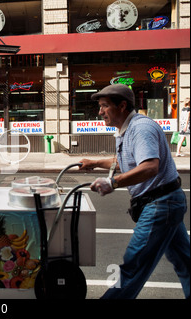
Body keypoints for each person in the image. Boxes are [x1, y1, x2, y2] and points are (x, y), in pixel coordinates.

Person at [78, 84, 190, 299]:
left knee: (133, 265)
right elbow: (129, 162)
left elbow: (149, 166)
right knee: (185, 262)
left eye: (104, 106)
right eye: (100, 107)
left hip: (160, 204)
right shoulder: (127, 130)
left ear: (122, 106)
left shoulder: (141, 129)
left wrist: (113, 183)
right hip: (166, 203)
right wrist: (94, 163)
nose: (100, 112)